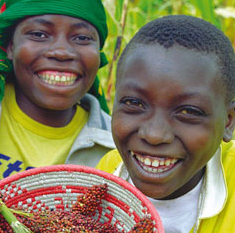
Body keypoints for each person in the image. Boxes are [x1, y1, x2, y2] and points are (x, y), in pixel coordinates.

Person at [0, 0, 115, 215]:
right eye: (39, 34)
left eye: (82, 38)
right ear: (10, 46)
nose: (61, 52)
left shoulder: (115, 147)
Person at [96, 15, 235, 233]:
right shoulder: (108, 175)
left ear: (228, 121)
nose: (154, 135)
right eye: (134, 103)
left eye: (189, 111)